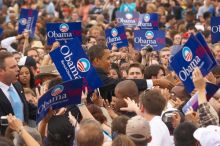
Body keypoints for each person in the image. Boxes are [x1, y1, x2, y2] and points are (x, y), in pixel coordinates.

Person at [87, 45, 174, 101]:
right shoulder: (93, 76)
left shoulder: (97, 74)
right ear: (96, 61)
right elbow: (119, 83)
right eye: (108, 58)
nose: (110, 62)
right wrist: (156, 82)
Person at [0, 52, 30, 135]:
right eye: (13, 67)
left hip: (25, 136)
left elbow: (26, 107)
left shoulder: (17, 85)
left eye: (17, 65)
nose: (18, 69)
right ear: (1, 71)